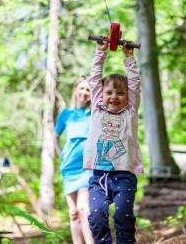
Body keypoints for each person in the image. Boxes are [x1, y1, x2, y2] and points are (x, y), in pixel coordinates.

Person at [83, 41, 143, 244]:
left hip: (124, 174)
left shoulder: (131, 111)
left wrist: (129, 58)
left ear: (128, 96)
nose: (114, 97)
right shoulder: (97, 109)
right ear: (102, 95)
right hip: (99, 175)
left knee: (122, 215)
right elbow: (94, 80)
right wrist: (100, 52)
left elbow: (134, 83)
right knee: (97, 216)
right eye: (109, 93)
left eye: (120, 93)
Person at [54, 76, 94, 244]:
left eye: (88, 89)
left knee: (84, 208)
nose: (85, 93)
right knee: (73, 212)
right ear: (75, 91)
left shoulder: (94, 113)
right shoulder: (66, 114)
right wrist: (61, 154)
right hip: (69, 167)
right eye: (82, 88)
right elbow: (54, 137)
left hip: (87, 166)